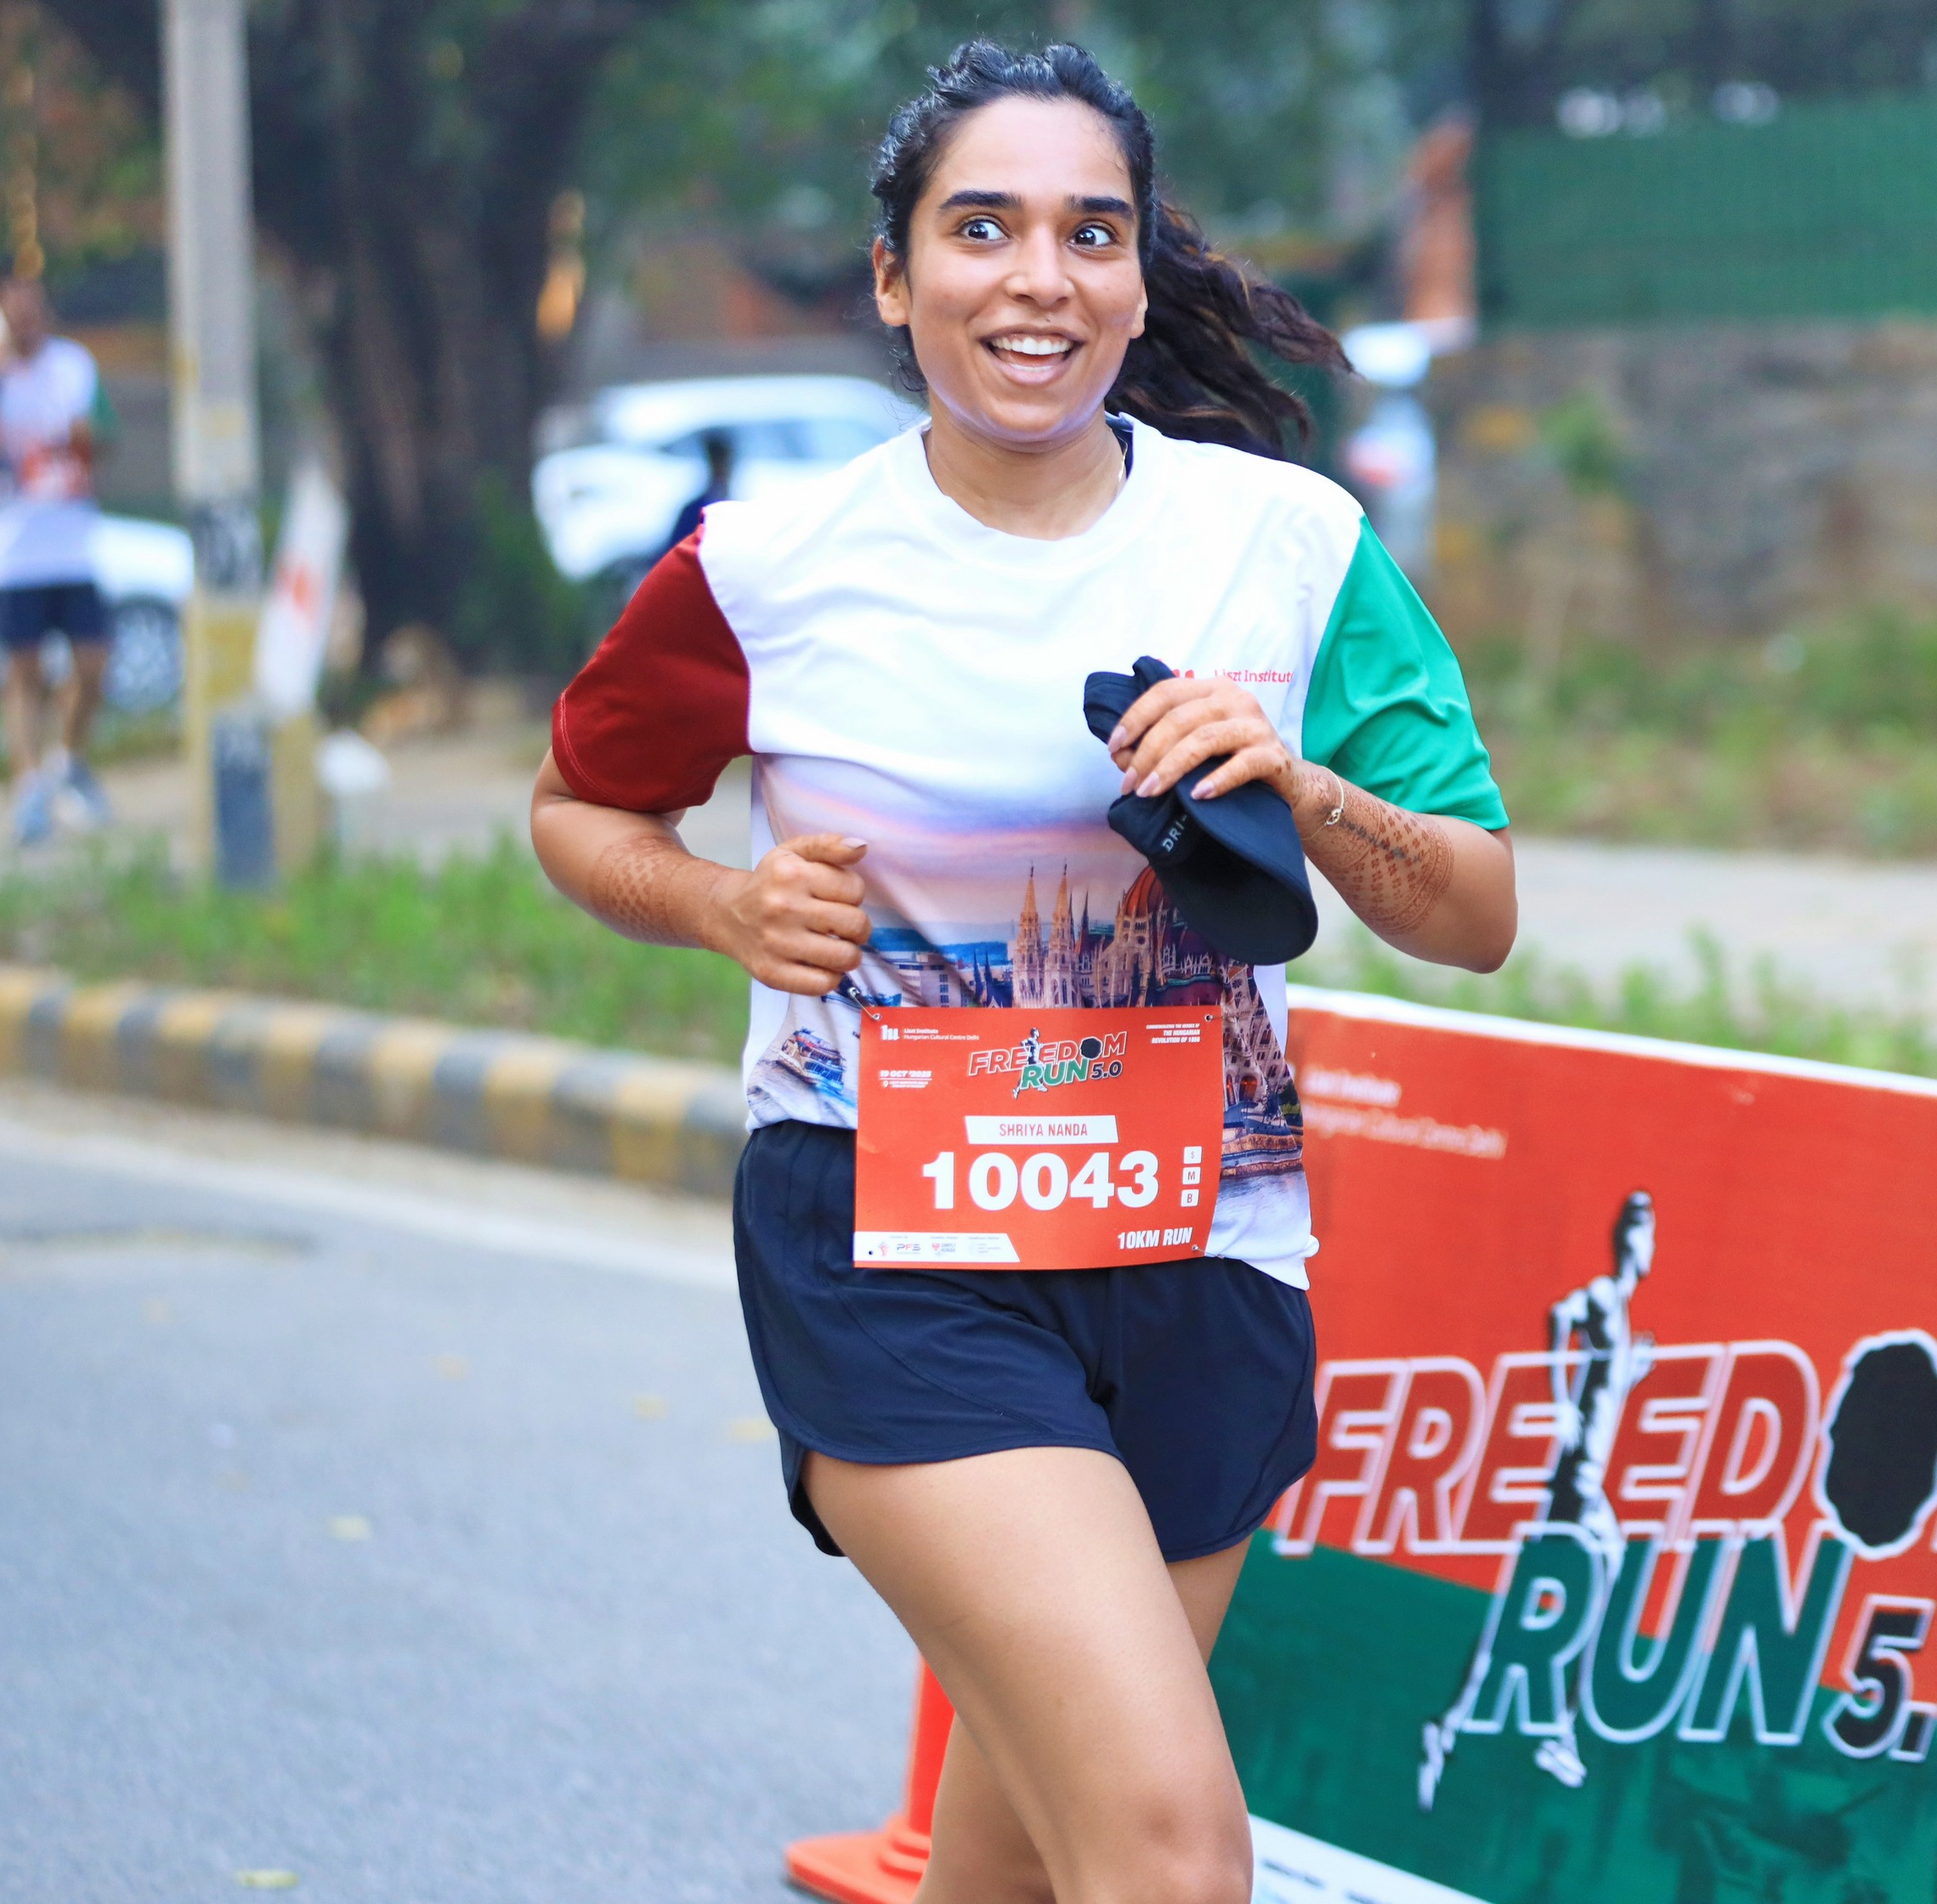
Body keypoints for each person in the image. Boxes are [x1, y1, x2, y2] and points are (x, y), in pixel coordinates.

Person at [530, 41, 1515, 1904]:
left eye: (1090, 232)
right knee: (1168, 1847)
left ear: (1138, 274)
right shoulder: (769, 567)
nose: (1037, 279)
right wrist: (721, 908)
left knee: (1018, 1869)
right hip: (895, 1254)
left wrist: (1298, 785)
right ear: (893, 275)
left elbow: (1473, 910)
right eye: (980, 229)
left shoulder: (1290, 545)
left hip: (1203, 1256)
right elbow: (579, 808)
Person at [0, 274, 117, 845]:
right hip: (9, 553)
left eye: (33, 313)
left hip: (70, 545)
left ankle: (68, 761)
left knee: (93, 663)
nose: (26, 325)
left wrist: (86, 437)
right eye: (14, 315)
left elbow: (105, 439)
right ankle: (28, 787)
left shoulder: (75, 366)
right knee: (24, 671)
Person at [664, 428, 739, 549]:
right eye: (718, 463)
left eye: (725, 463)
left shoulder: (736, 509)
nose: (723, 469)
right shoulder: (692, 511)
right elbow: (676, 547)